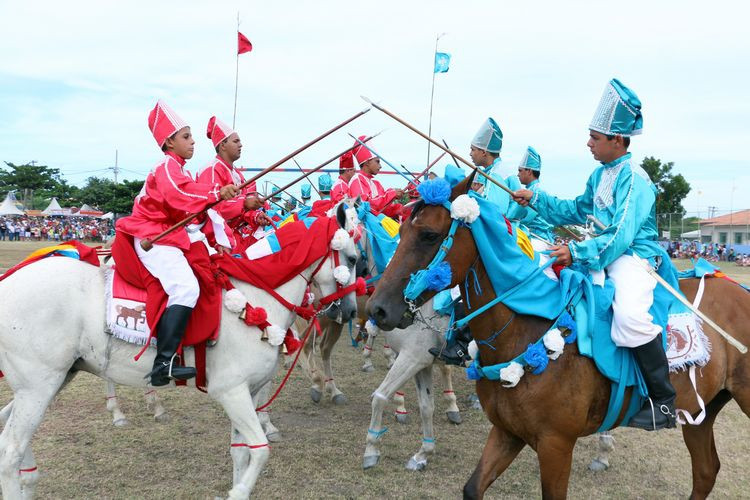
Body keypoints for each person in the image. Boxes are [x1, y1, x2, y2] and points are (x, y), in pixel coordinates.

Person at [513, 78, 677, 431]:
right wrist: (536, 198)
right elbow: (576, 210)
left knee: (631, 318)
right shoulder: (600, 174)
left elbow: (619, 235)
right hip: (599, 251)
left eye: (595, 138)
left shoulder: (635, 179)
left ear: (617, 140)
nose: (589, 143)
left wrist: (576, 251)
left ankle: (664, 401)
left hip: (633, 256)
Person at [116, 100, 239, 386]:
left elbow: (193, 193)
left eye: (191, 136)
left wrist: (217, 194)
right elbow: (179, 198)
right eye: (186, 136)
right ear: (169, 141)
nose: (193, 141)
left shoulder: (179, 169)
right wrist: (216, 195)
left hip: (169, 235)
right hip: (152, 236)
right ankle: (163, 364)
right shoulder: (166, 167)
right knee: (186, 288)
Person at [196, 116, 271, 252]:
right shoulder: (211, 170)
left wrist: (255, 215)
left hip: (238, 231)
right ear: (223, 145)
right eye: (236, 141)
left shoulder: (236, 173)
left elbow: (242, 209)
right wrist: (244, 203)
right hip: (221, 237)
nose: (240, 144)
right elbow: (212, 210)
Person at [348, 136, 404, 215]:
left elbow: (384, 208)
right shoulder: (357, 180)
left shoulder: (376, 184)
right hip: (364, 225)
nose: (380, 166)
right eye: (377, 162)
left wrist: (402, 209)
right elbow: (366, 206)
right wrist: (391, 194)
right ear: (367, 162)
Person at [516, 146, 555, 244]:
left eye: (520, 171)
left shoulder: (535, 193)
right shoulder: (532, 190)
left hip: (538, 239)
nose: (518, 174)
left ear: (529, 171)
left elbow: (522, 218)